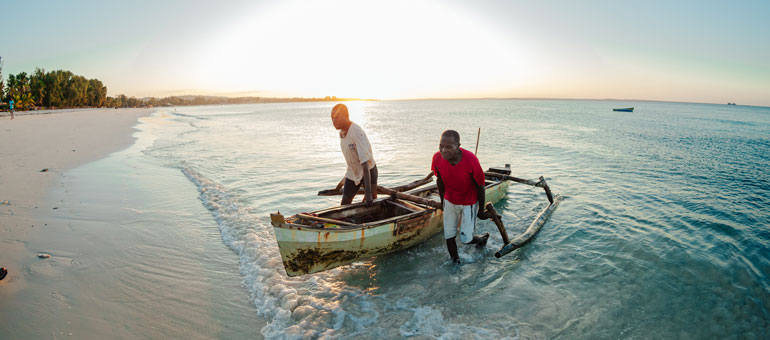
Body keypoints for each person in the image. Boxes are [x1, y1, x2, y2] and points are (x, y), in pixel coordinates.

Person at [431, 130, 490, 264]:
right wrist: (442, 202)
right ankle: (455, 261)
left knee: (466, 239)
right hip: (449, 200)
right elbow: (439, 180)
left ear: (458, 146)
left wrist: (480, 210)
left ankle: (482, 239)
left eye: (449, 147)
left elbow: (480, 187)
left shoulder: (471, 160)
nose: (444, 150)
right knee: (449, 235)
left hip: (468, 202)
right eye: (441, 146)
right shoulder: (437, 158)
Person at [331, 103, 377, 206]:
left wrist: (368, 193)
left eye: (336, 118)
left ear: (345, 116)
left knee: (371, 203)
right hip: (353, 172)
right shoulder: (342, 133)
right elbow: (351, 160)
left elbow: (365, 163)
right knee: (345, 204)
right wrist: (338, 188)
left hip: (368, 171)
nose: (333, 121)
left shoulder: (356, 132)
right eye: (332, 118)